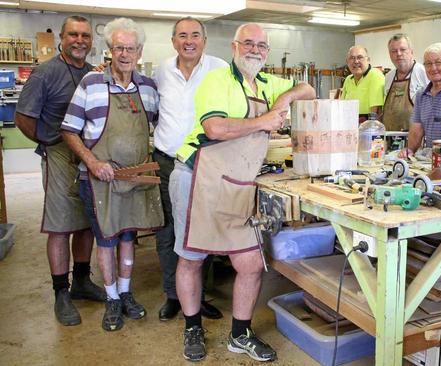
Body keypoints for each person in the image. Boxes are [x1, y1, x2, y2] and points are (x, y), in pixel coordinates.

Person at [171, 23, 315, 362]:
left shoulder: (267, 82)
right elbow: (215, 127)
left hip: (238, 183)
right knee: (191, 260)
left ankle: (240, 334)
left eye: (261, 45)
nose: (254, 50)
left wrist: (285, 98)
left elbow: (307, 88)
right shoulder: (218, 80)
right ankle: (192, 327)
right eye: (247, 43)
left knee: (250, 264)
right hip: (198, 178)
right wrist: (265, 120)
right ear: (235, 47)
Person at [61, 17, 162, 332]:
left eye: (130, 48)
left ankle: (126, 292)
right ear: (110, 50)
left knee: (128, 235)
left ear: (139, 51)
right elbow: (69, 130)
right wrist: (92, 162)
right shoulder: (91, 84)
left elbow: (158, 126)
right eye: (119, 47)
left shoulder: (147, 87)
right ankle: (111, 299)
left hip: (134, 179)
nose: (124, 54)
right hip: (99, 180)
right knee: (106, 240)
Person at [14, 15, 104, 326]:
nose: (80, 40)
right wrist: (48, 142)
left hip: (87, 156)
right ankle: (61, 292)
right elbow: (23, 117)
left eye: (85, 36)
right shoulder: (45, 73)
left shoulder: (94, 74)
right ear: (61, 39)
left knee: (85, 222)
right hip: (59, 155)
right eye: (73, 35)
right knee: (59, 225)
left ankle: (81, 280)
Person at [152, 17, 228, 322]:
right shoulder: (161, 71)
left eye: (195, 35)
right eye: (182, 35)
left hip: (205, 161)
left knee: (202, 230)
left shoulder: (219, 68)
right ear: (173, 42)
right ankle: (173, 295)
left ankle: (197, 295)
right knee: (168, 229)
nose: (189, 41)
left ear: (204, 41)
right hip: (167, 160)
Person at [400, 42, 441, 158]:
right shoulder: (421, 94)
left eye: (438, 62)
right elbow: (416, 130)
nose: (433, 68)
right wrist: (410, 150)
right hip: (430, 157)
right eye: (428, 64)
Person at [383, 34, 427, 131]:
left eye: (402, 50)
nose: (398, 54)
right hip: (390, 137)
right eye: (394, 51)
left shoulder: (423, 73)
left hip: (414, 138)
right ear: (390, 54)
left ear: (411, 52)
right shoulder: (388, 77)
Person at [340, 45, 385, 122]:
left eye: (360, 57)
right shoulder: (348, 79)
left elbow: (376, 112)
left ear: (368, 60)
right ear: (347, 62)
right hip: (350, 125)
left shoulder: (375, 75)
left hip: (368, 127)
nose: (356, 61)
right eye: (352, 58)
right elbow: (342, 107)